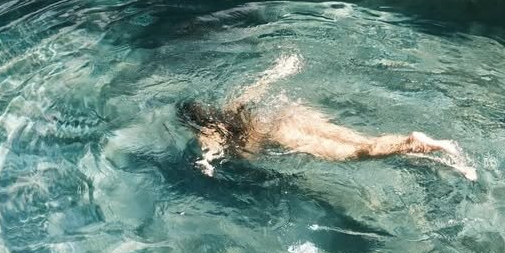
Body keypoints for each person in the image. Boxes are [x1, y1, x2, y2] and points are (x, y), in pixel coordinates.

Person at [179, 55, 476, 180]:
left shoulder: (206, 131)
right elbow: (260, 86)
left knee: (358, 153)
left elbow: (210, 150)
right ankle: (417, 147)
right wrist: (284, 68)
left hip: (283, 135)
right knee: (364, 142)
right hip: (289, 116)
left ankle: (412, 143)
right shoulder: (230, 106)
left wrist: (206, 164)